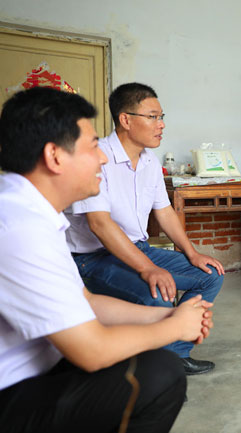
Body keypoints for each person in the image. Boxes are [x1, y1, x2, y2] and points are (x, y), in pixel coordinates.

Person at [0, 87, 214, 432]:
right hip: (12, 390)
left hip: (45, 363)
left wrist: (166, 316)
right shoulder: (19, 228)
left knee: (150, 352)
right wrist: (173, 328)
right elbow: (92, 351)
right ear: (54, 156)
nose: (101, 158)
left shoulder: (32, 213)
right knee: (160, 373)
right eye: (91, 146)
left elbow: (86, 301)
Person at [65, 83, 224, 375]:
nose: (161, 125)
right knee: (157, 293)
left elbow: (164, 211)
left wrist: (192, 253)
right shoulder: (97, 156)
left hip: (137, 249)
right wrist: (148, 269)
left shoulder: (150, 161)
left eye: (162, 117)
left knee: (210, 275)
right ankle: (157, 370)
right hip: (93, 257)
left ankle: (175, 357)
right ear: (125, 120)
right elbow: (99, 224)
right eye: (152, 117)